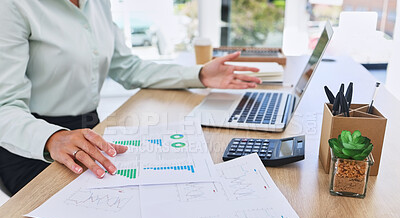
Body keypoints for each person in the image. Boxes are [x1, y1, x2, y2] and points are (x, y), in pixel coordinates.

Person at [0, 0, 261, 195]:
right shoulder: (14, 6)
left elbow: (128, 67)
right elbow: (4, 106)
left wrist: (200, 74)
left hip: (90, 131)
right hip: (32, 143)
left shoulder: (98, 3)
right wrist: (53, 138)